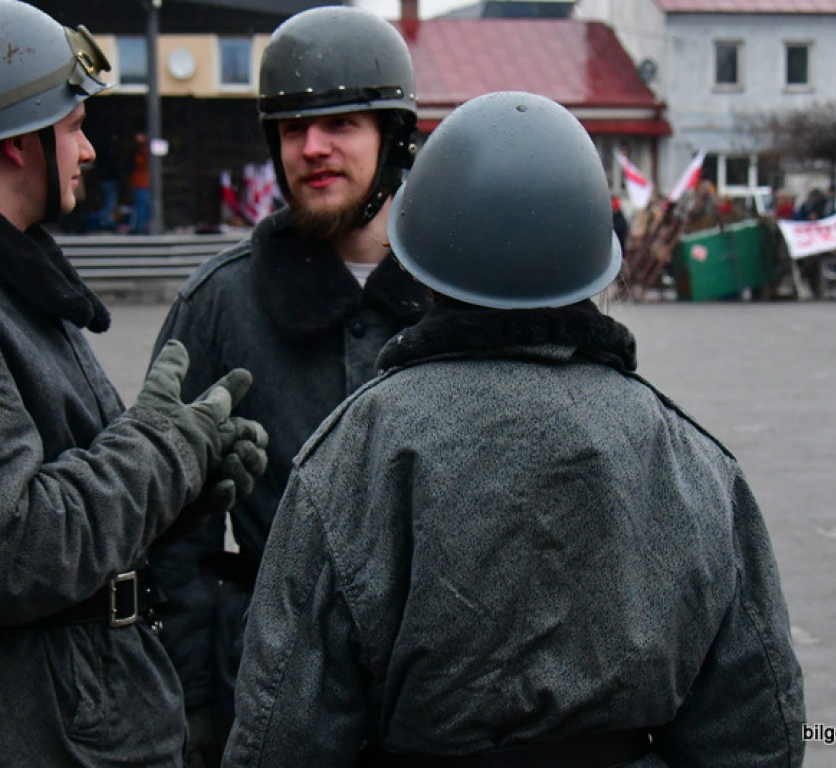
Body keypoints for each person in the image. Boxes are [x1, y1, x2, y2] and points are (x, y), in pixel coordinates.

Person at [224, 91, 805, 767]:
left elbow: (284, 735)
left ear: (420, 259)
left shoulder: (352, 452)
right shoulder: (693, 461)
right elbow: (759, 732)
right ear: (594, 258)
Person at [0, 1, 267, 764]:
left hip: (56, 707)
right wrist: (161, 451)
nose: (88, 150)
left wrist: (177, 490)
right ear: (19, 139)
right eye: (75, 127)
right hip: (20, 725)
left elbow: (52, 494)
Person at [148, 6, 430, 764]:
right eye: (292, 127)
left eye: (341, 124)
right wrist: (190, 709)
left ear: (393, 138)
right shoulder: (219, 305)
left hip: (440, 703)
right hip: (270, 704)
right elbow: (170, 535)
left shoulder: (465, 296)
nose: (312, 148)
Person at [128, 131, 151, 233]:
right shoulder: (139, 151)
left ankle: (141, 228)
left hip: (144, 183)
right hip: (140, 183)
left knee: (143, 207)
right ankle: (139, 228)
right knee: (140, 207)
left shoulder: (145, 151)